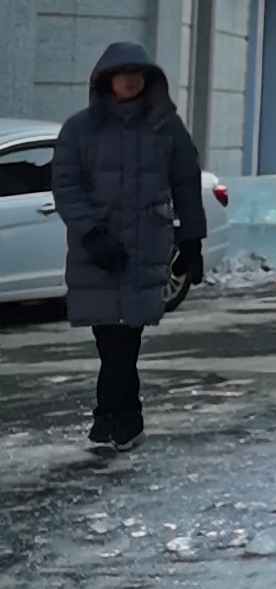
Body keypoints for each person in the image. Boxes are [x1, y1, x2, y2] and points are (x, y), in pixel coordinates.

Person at [52, 40, 207, 449]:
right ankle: (119, 418)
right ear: (106, 80)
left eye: (138, 74)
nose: (130, 81)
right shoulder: (79, 129)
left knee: (125, 340)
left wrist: (192, 238)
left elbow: (186, 182)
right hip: (98, 252)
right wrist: (92, 233)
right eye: (123, 75)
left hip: (145, 246)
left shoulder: (165, 127)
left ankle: (116, 420)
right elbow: (66, 186)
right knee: (112, 339)